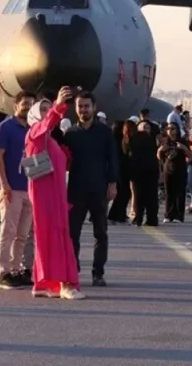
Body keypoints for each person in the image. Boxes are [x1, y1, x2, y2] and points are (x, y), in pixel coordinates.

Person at [25, 87, 84, 300]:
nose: (46, 112)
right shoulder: (34, 134)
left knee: (48, 236)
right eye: (42, 109)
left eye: (48, 109)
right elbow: (46, 124)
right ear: (34, 115)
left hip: (53, 194)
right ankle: (64, 284)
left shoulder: (47, 139)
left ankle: (43, 282)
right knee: (55, 233)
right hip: (46, 196)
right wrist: (58, 106)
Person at [62, 91, 118, 287]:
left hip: (99, 189)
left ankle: (98, 273)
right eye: (80, 106)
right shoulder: (70, 134)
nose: (83, 110)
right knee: (72, 234)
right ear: (75, 109)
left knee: (101, 233)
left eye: (87, 106)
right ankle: (73, 270)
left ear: (94, 107)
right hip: (75, 190)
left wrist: (112, 184)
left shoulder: (105, 132)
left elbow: (112, 159)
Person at [0, 92, 35, 289]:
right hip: (10, 188)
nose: (27, 107)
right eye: (25, 103)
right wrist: (4, 184)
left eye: (31, 104)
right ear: (16, 105)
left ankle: (17, 269)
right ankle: (3, 272)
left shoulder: (32, 129)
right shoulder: (5, 128)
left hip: (29, 188)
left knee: (23, 234)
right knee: (8, 231)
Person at [128, 119, 160, 226]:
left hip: (150, 171)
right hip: (139, 171)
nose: (146, 129)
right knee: (139, 196)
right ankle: (140, 218)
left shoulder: (154, 139)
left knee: (150, 196)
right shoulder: (135, 139)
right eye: (144, 127)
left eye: (148, 127)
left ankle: (150, 219)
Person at [158, 123, 191, 223]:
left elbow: (190, 156)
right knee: (169, 193)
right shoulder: (165, 142)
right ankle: (168, 215)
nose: (170, 131)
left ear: (177, 130)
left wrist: (184, 148)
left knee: (180, 193)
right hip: (168, 170)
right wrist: (160, 150)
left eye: (172, 129)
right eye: (168, 129)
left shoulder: (183, 141)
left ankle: (178, 216)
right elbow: (159, 156)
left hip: (180, 170)